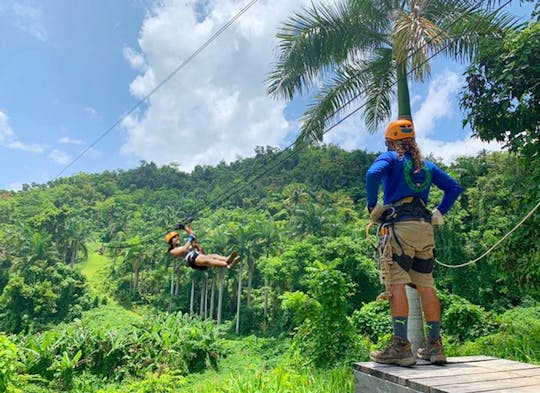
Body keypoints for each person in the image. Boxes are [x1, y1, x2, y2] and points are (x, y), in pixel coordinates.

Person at [365, 119, 462, 367]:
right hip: (424, 228)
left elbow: (372, 174)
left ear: (391, 141)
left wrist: (373, 206)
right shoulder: (426, 165)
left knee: (397, 283)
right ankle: (435, 345)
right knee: (426, 285)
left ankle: (400, 346)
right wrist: (439, 212)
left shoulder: (390, 158)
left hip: (401, 227)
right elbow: (453, 187)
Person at [165, 226, 240, 270]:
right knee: (208, 260)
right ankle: (227, 265)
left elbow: (193, 235)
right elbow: (184, 250)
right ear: (171, 242)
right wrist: (190, 239)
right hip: (192, 259)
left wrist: (184, 228)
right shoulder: (173, 251)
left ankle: (227, 259)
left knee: (213, 256)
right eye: (175, 238)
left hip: (196, 255)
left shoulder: (184, 245)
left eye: (177, 237)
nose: (177, 238)